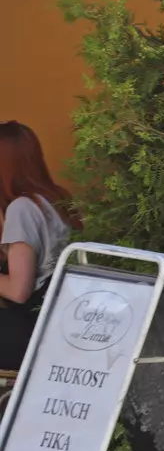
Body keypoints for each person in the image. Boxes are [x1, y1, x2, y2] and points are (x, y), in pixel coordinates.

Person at [0, 123, 77, 369]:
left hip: (32, 333)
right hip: (61, 325)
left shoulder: (21, 208)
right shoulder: (58, 198)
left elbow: (18, 291)